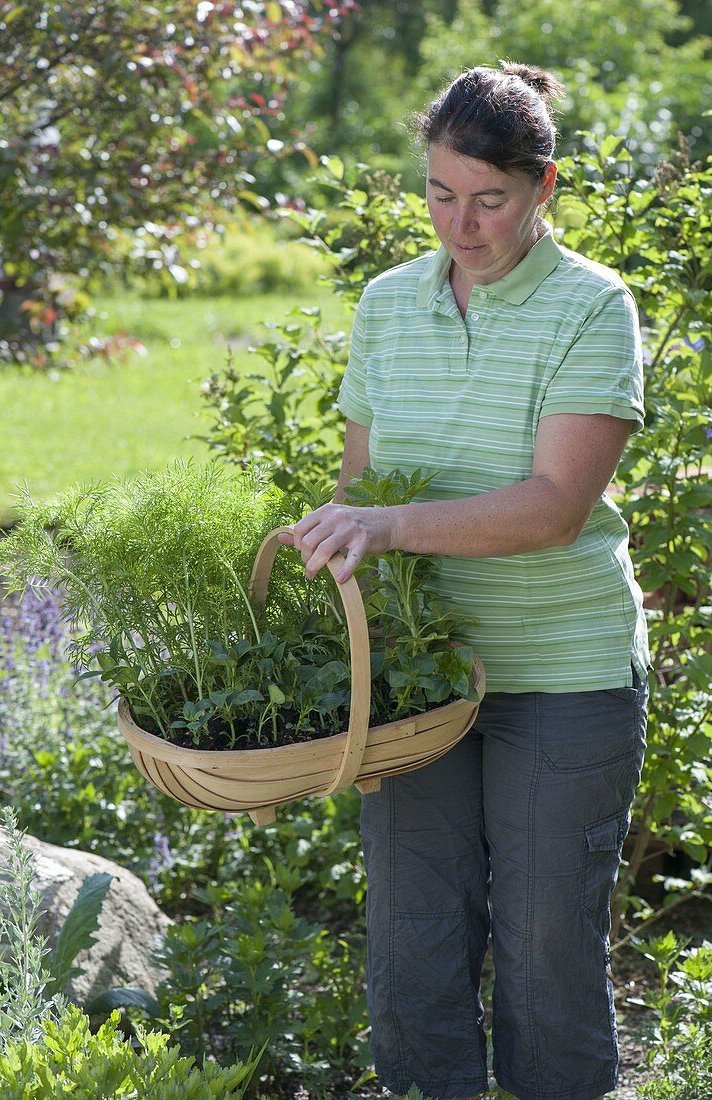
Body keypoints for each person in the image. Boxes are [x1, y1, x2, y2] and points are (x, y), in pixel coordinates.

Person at [279, 62, 650, 1100]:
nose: (463, 223)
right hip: (419, 684)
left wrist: (389, 524)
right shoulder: (389, 305)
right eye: (442, 194)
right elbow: (360, 486)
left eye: (490, 198)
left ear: (545, 187)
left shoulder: (592, 306)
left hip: (560, 679)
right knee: (411, 947)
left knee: (544, 954)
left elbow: (552, 507)